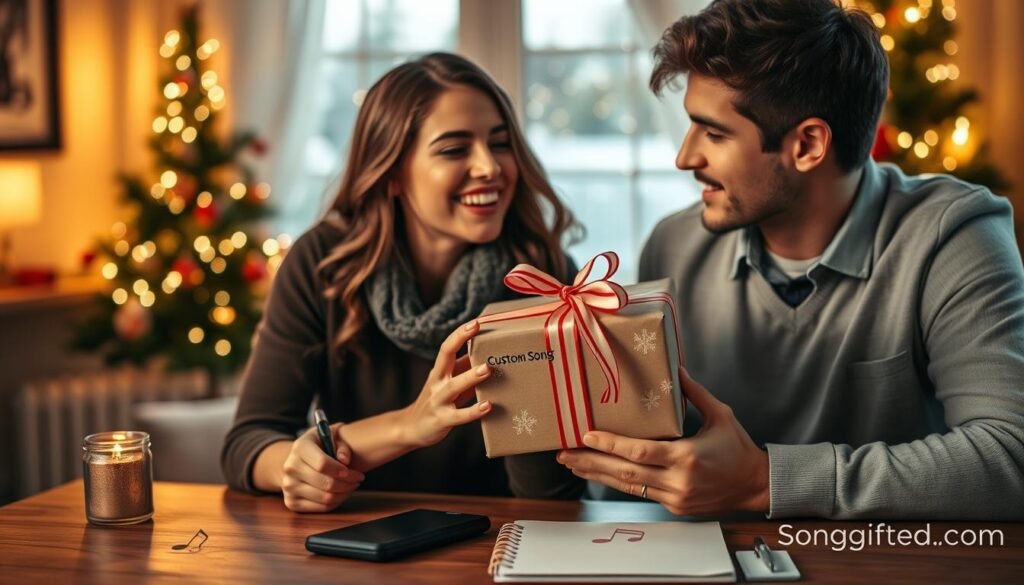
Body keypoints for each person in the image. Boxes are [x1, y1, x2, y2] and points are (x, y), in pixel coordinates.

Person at [514, 0, 1024, 520]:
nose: (685, 157)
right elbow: (645, 464)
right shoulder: (674, 246)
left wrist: (765, 481)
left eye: (713, 133)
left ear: (806, 144)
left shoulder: (953, 238)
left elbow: (1010, 456)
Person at [221, 52, 578, 512]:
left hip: (496, 543)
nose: (489, 167)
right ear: (391, 174)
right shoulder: (323, 263)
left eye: (501, 143)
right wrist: (301, 464)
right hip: (357, 542)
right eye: (454, 149)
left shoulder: (540, 275)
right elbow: (246, 445)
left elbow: (552, 499)